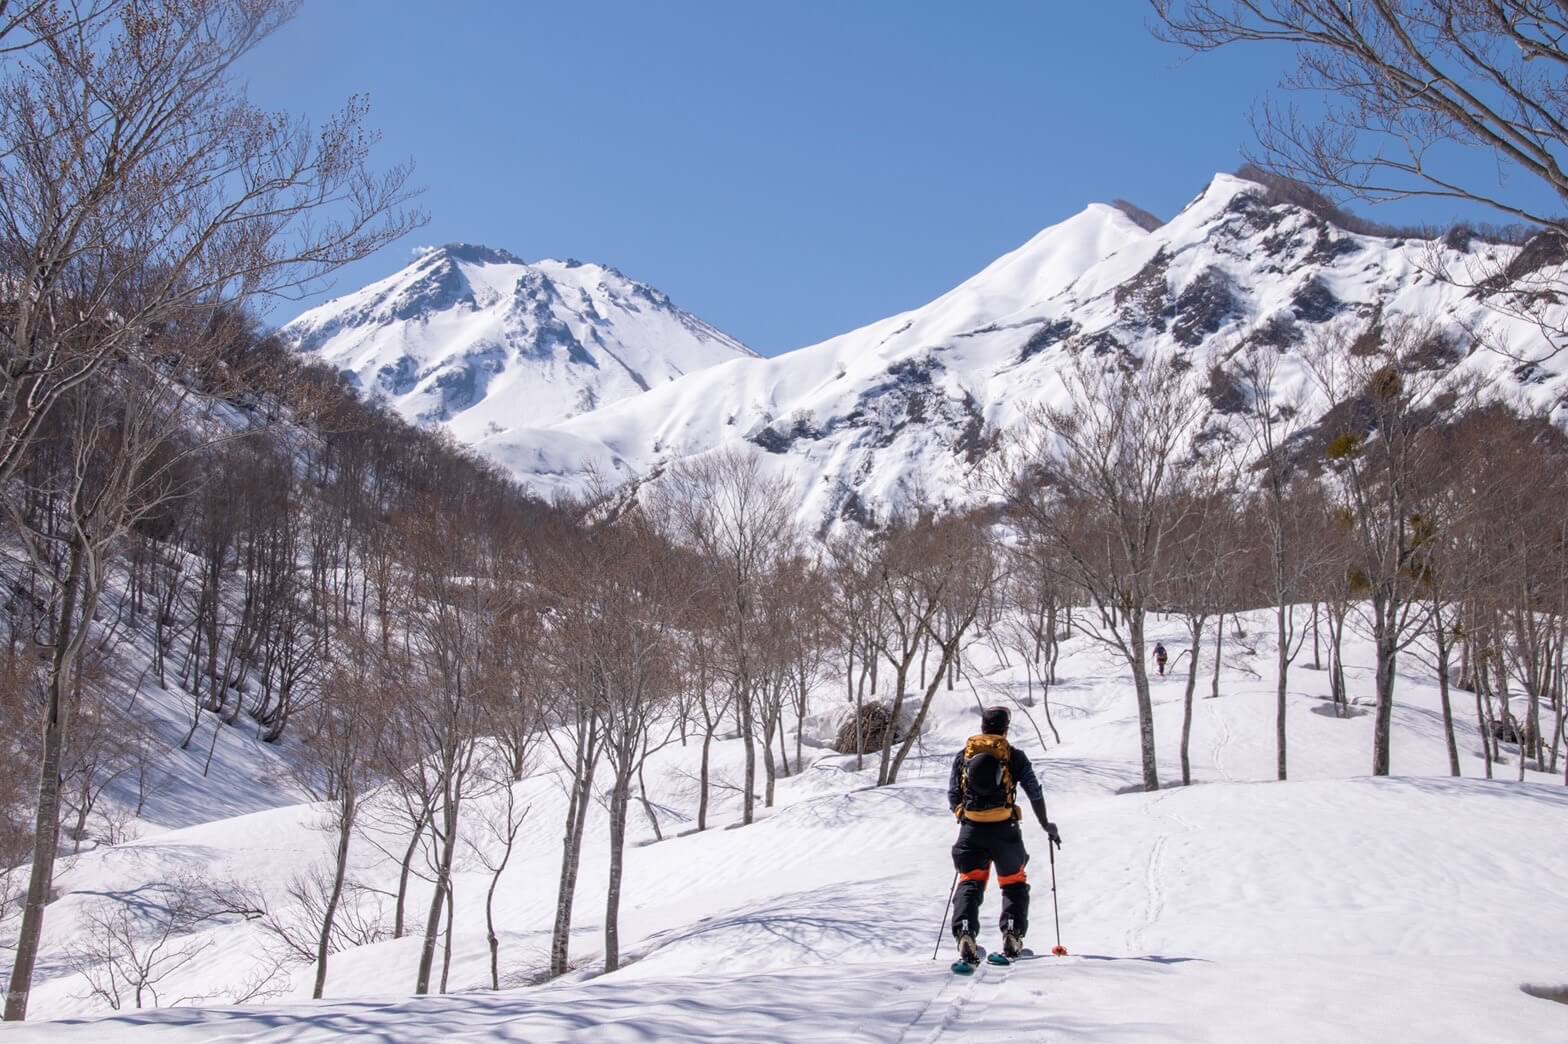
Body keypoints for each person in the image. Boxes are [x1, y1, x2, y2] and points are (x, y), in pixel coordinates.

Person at [947, 705, 1061, 964]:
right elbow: (1034, 791)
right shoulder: (1014, 756)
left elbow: (953, 794)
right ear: (1005, 730)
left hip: (971, 831)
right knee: (1013, 883)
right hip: (1005, 831)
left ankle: (965, 932)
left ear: (983, 728)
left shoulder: (964, 755)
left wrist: (962, 814)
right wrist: (1046, 824)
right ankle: (1012, 933)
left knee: (970, 881)